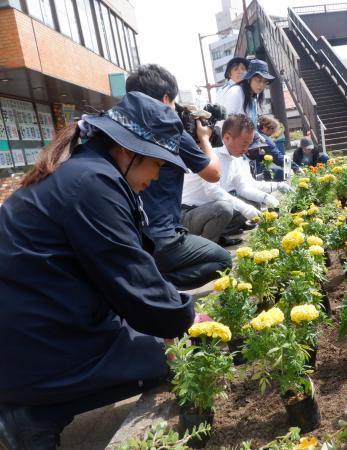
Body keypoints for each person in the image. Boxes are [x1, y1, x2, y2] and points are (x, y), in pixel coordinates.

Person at [0, 92, 195, 449]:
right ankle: (30, 414)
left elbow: (127, 270)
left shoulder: (87, 172)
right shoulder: (93, 183)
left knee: (154, 347)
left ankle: (34, 410)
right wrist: (185, 319)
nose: (156, 175)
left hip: (36, 322)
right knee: (168, 357)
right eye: (157, 163)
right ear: (127, 149)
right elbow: (130, 275)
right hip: (32, 337)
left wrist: (173, 314)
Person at [125, 64, 232, 291]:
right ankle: (153, 287)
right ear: (165, 100)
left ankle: (146, 282)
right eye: (174, 104)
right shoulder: (170, 129)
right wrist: (203, 139)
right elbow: (213, 174)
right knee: (222, 261)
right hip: (163, 235)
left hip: (130, 236)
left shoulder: (121, 130)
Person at [181, 114, 289, 245]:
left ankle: (218, 235)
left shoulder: (234, 157)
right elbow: (212, 191)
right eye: (244, 144)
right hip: (188, 213)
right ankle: (205, 246)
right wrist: (244, 208)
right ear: (227, 138)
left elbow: (243, 187)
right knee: (225, 208)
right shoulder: (213, 153)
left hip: (207, 210)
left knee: (251, 204)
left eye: (248, 144)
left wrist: (266, 197)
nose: (246, 149)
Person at [221, 59, 275, 125]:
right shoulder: (236, 92)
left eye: (265, 82)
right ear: (249, 79)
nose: (261, 85)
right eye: (258, 80)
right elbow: (225, 123)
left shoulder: (253, 97)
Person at [253, 115, 288, 181]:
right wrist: (294, 167)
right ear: (264, 127)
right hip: (257, 171)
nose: (273, 132)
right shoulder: (264, 139)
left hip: (254, 168)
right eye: (273, 128)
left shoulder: (255, 133)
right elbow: (277, 157)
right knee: (283, 174)